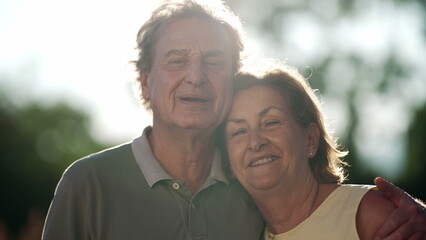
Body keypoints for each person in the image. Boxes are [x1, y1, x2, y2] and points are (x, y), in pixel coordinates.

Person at [42, 0, 426, 239]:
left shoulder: (251, 187)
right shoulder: (87, 186)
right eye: (177, 60)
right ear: (145, 82)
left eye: (214, 62)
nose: (196, 76)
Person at [222, 62, 426, 239]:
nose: (255, 142)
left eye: (271, 122)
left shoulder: (370, 215)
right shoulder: (241, 234)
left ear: (310, 139)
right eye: (238, 131)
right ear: (227, 161)